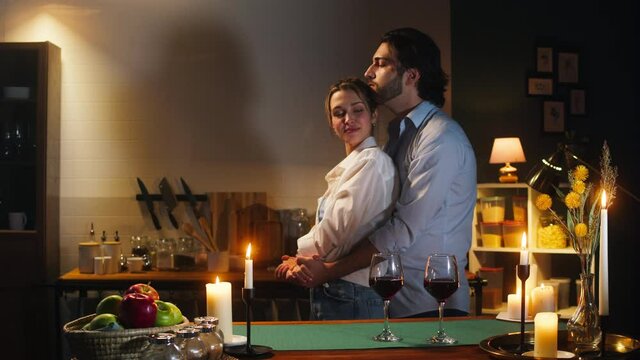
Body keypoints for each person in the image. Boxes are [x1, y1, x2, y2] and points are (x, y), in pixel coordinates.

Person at [290, 28, 477, 318]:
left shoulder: (440, 138)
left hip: (429, 303)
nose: (369, 72)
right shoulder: (399, 135)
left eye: (380, 63)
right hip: (392, 297)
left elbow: (402, 229)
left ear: (411, 75)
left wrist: (329, 271)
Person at [275, 78, 397, 320]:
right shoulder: (356, 164)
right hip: (341, 290)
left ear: (373, 115)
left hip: (353, 292)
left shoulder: (371, 163)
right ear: (332, 123)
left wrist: (297, 260)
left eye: (357, 110)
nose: (348, 119)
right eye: (339, 113)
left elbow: (336, 231)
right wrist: (301, 260)